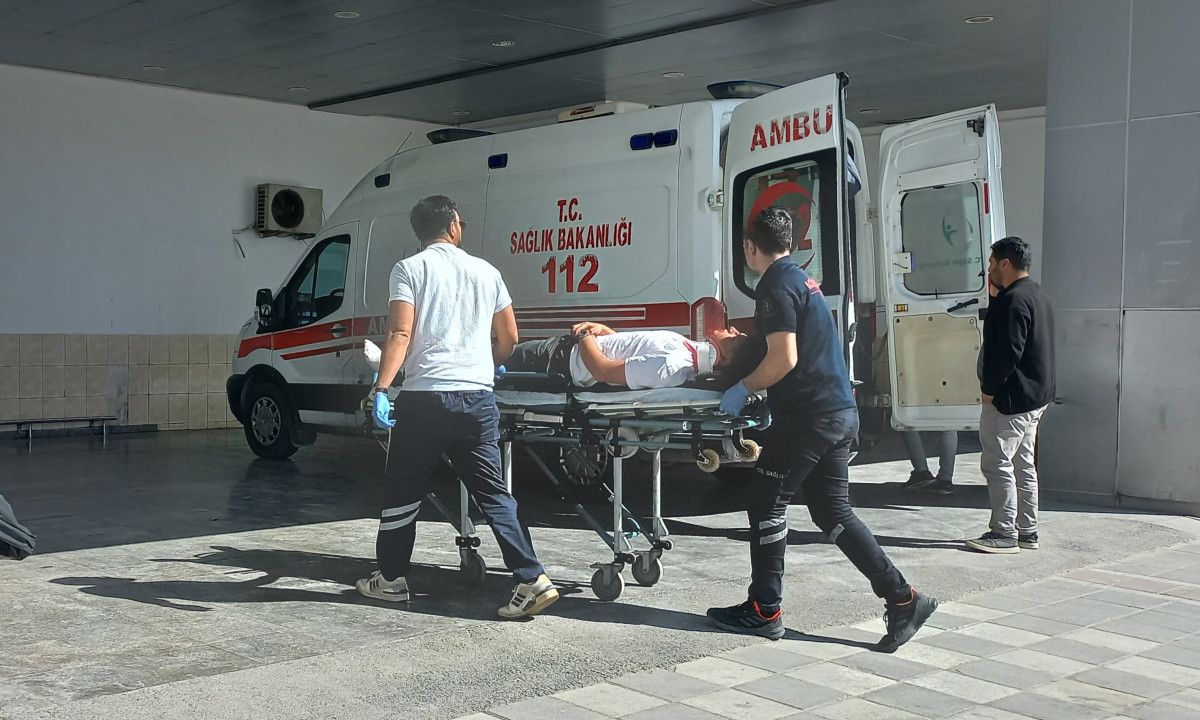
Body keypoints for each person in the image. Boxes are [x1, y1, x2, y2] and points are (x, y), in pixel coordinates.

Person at [709, 206, 937, 652]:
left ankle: (764, 610)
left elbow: (784, 358)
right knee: (832, 512)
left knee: (765, 501)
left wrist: (742, 387)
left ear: (750, 248)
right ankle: (903, 598)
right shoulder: (801, 280)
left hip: (809, 418)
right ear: (792, 243)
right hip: (837, 411)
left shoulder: (774, 286)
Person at [359, 195, 558, 619]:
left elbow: (399, 333)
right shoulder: (487, 272)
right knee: (494, 493)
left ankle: (391, 579)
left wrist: (382, 388)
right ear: (453, 226)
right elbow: (509, 338)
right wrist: (487, 363)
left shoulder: (408, 269)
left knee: (403, 489)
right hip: (477, 399)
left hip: (426, 399)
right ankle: (532, 578)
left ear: (420, 232)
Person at [965, 236, 1055, 554]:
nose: (988, 269)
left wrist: (989, 391)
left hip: (1011, 399)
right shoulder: (1037, 295)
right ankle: (1028, 530)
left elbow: (1007, 353)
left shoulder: (1013, 302)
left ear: (1005, 263)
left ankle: (1003, 532)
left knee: (997, 463)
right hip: (1036, 397)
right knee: (1023, 463)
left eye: (991, 262)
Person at [503, 323, 760, 389]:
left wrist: (583, 337)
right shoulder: (686, 352)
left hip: (556, 361)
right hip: (564, 352)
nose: (733, 329)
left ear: (725, 359)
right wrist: (605, 332)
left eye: (736, 337)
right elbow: (632, 351)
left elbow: (602, 370)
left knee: (495, 359)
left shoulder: (671, 366)